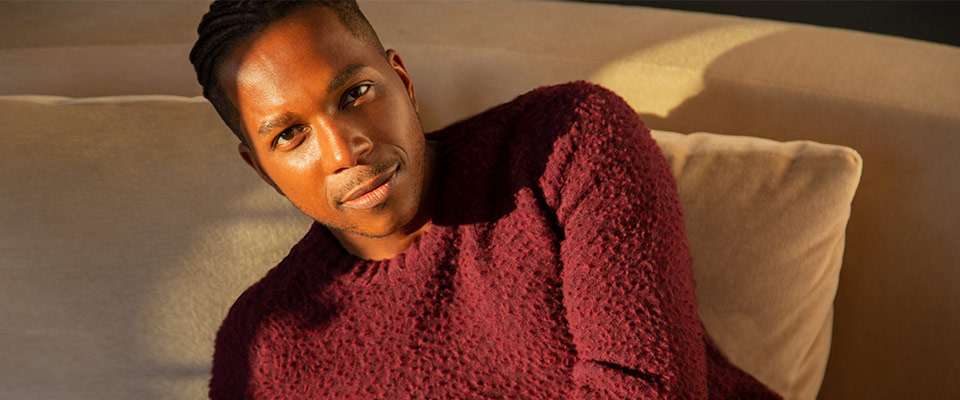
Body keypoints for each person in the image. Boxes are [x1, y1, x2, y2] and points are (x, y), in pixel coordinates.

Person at [190, 1, 781, 398]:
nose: (346, 150)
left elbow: (646, 387)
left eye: (356, 93)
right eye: (289, 135)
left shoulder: (566, 140)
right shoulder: (262, 348)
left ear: (404, 81)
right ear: (262, 169)